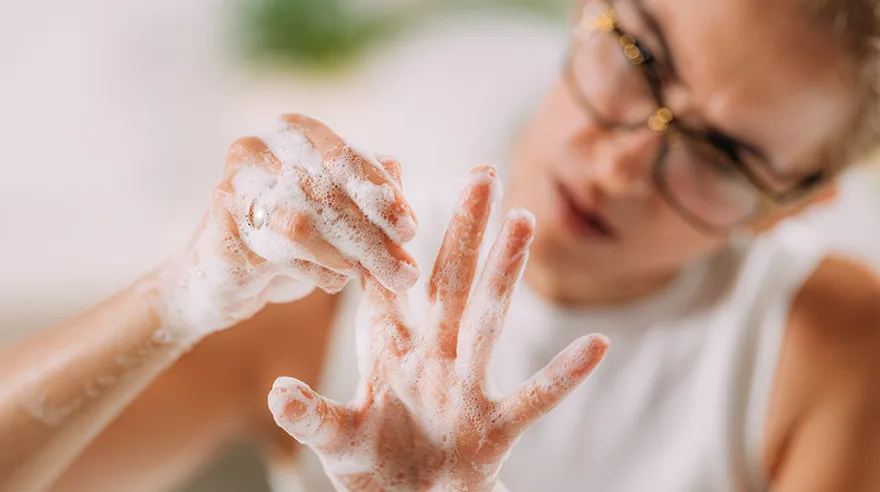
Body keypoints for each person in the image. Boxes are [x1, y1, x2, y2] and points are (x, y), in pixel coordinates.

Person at [1, 0, 879, 490]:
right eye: (639, 55)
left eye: (722, 156)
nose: (620, 164)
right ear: (585, 11)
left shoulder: (832, 352)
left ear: (786, 205)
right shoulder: (333, 272)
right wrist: (178, 297)